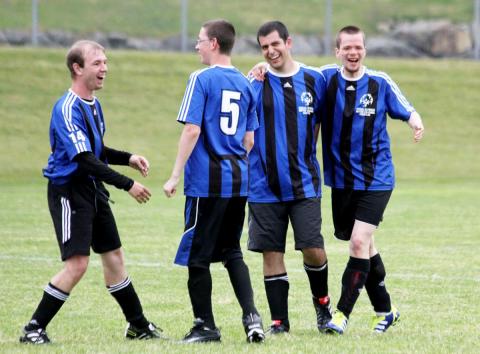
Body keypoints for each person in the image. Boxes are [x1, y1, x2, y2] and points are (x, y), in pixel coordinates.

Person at [19, 40, 162, 344]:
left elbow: (97, 151)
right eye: (97, 63)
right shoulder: (67, 108)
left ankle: (138, 326)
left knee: (114, 258)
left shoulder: (93, 105)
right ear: (77, 68)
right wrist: (128, 184)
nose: (104, 69)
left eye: (105, 62)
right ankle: (34, 328)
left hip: (92, 189)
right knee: (78, 264)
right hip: (69, 192)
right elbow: (84, 159)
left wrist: (129, 159)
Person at [163, 19, 265, 344]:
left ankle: (205, 326)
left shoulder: (201, 78)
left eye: (200, 40)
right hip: (239, 181)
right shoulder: (246, 84)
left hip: (207, 182)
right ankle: (252, 320)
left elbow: (192, 129)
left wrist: (175, 174)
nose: (197, 46)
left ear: (215, 44)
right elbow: (249, 140)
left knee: (198, 255)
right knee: (232, 250)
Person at [320, 25, 425, 335]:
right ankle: (386, 310)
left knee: (357, 242)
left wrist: (415, 121)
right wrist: (261, 68)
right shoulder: (326, 78)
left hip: (377, 178)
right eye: (347, 48)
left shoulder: (379, 82)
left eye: (358, 47)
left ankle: (341, 315)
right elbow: (295, 73)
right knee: (366, 245)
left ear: (364, 50)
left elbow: (406, 108)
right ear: (337, 51)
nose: (353, 53)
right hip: (341, 181)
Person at [247, 21, 331, 335]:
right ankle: (279, 322)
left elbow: (322, 122)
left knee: (312, 247)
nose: (270, 52)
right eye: (264, 47)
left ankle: (323, 306)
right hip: (263, 185)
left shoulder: (314, 79)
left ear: (288, 42)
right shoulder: (255, 82)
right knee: (272, 252)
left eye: (275, 44)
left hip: (305, 182)